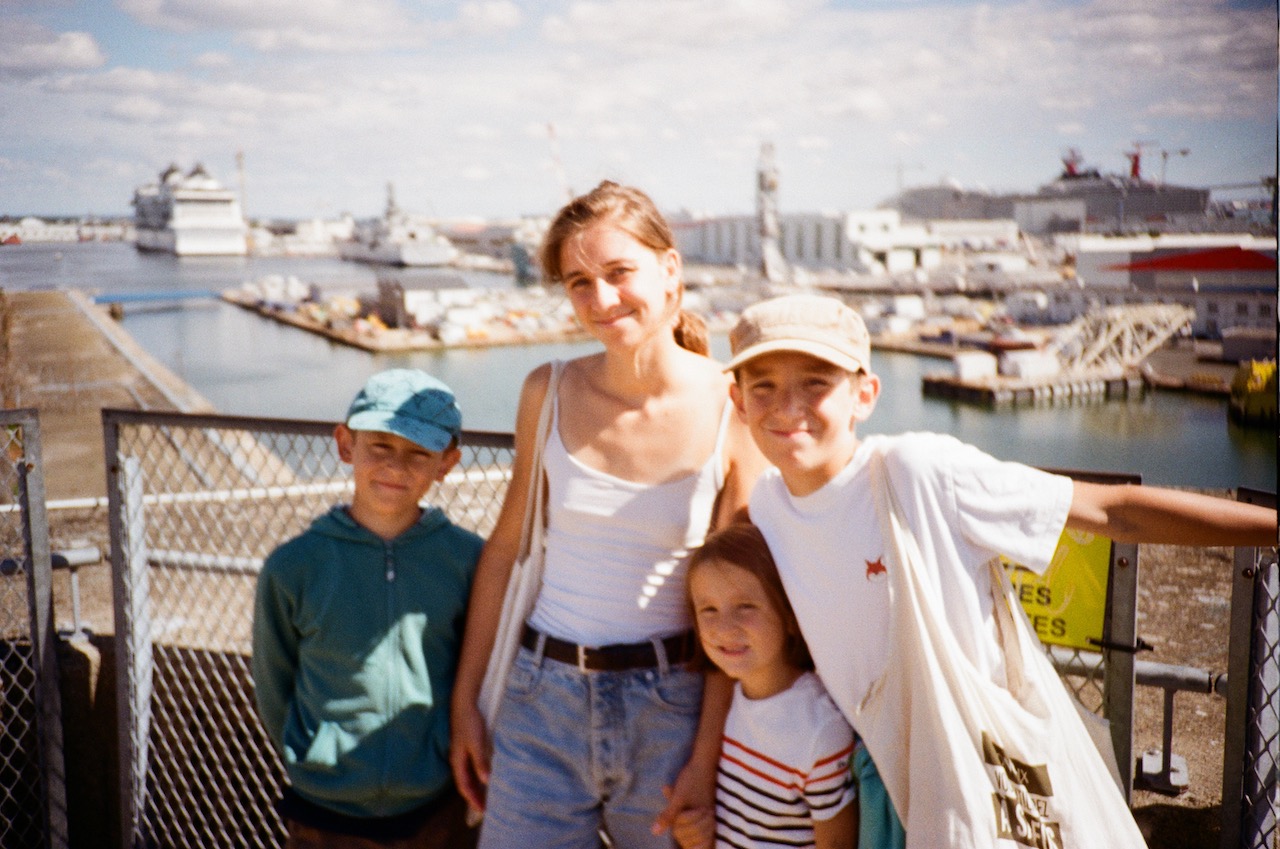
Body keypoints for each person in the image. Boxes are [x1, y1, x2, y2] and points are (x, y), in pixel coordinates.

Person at [721, 293, 1278, 846]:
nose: (787, 405)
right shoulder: (769, 505)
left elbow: (1112, 511)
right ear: (738, 402)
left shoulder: (917, 473)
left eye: (816, 383)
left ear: (864, 395)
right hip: (887, 776)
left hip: (981, 764)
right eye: (763, 386)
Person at [449, 181, 765, 849]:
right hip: (540, 699)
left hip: (671, 712)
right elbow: (505, 550)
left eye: (619, 272)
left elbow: (738, 599)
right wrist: (467, 702)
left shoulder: (731, 405)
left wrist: (705, 759)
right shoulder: (548, 389)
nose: (601, 299)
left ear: (669, 268)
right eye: (579, 282)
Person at [252, 368, 484, 849]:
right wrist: (313, 756)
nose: (396, 466)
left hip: (438, 807)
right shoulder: (293, 566)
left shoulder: (471, 562)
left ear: (448, 463)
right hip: (323, 813)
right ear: (344, 444)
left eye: (419, 452)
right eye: (380, 445)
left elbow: (480, 673)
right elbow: (275, 681)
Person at [679, 522, 859, 849]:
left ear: (790, 614)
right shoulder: (730, 701)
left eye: (745, 607)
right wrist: (697, 833)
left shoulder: (820, 729)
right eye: (708, 610)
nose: (724, 627)